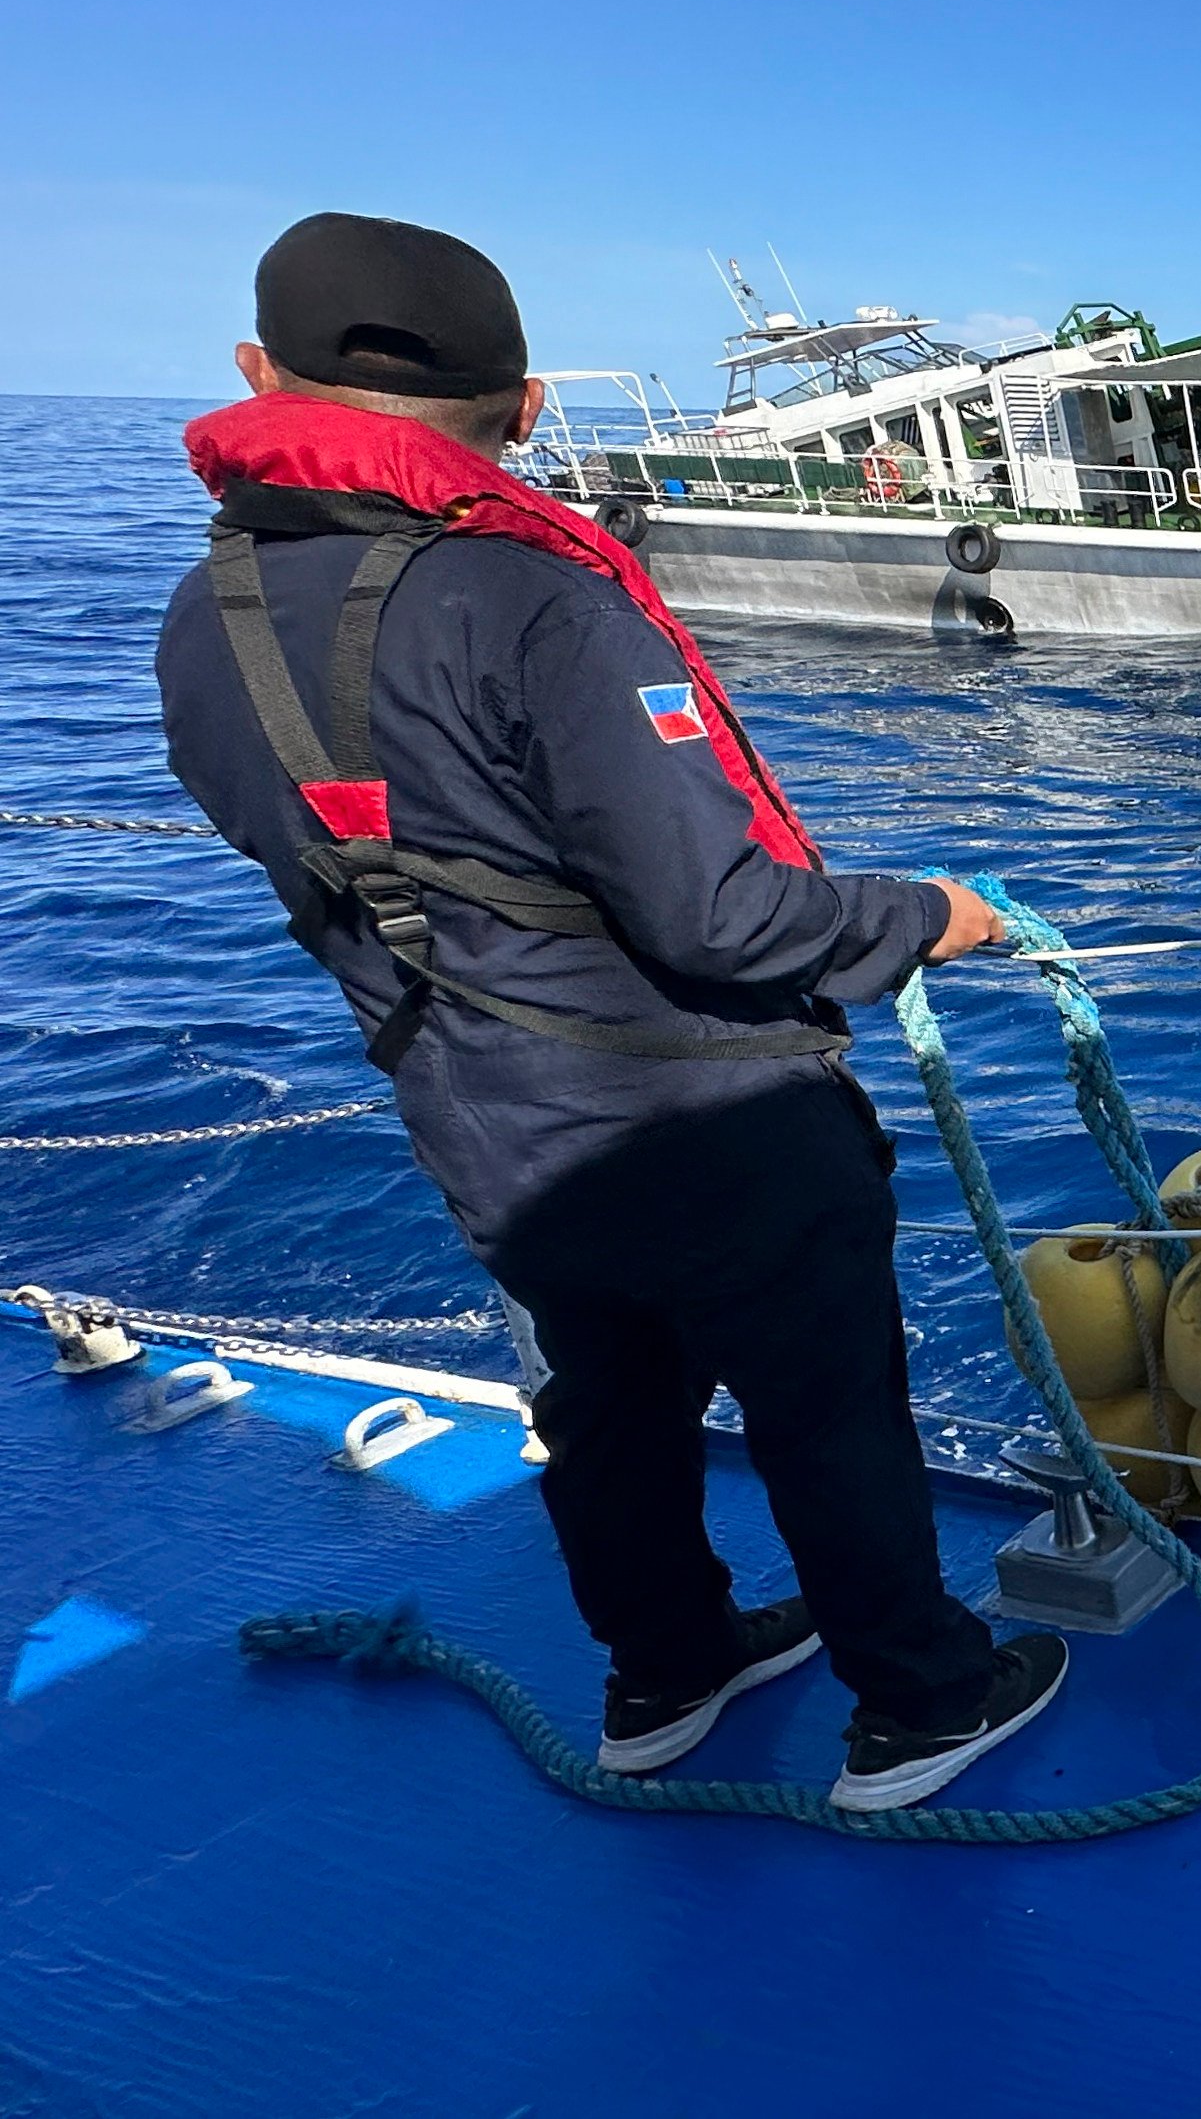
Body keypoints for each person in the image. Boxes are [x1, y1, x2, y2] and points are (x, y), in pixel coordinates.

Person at [155, 213, 1068, 1813]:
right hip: (710, 1117)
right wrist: (935, 915)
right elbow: (727, 912)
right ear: (519, 411)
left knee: (605, 1399)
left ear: (255, 376)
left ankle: (666, 1670)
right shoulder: (536, 598)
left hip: (483, 1117)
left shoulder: (199, 623)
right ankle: (920, 1700)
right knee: (825, 1398)